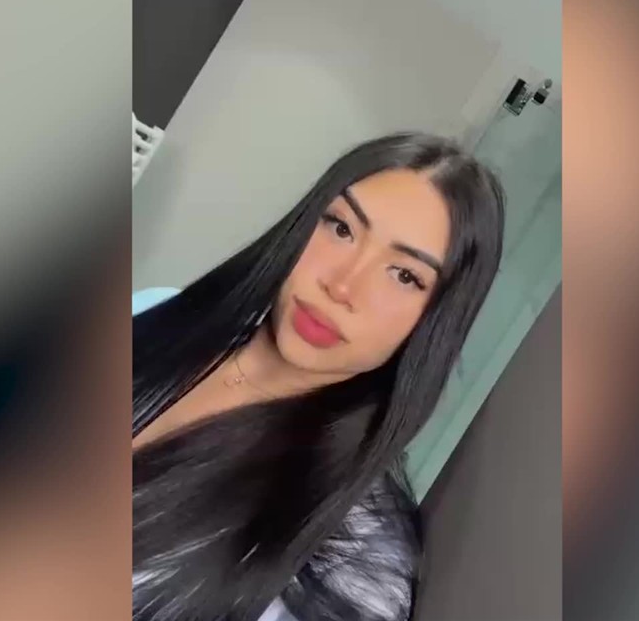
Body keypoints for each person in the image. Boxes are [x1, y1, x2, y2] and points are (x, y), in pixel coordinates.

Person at [131, 133, 506, 621]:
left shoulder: (353, 559)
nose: (342, 285)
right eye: (341, 228)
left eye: (404, 275)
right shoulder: (159, 313)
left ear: (436, 320)